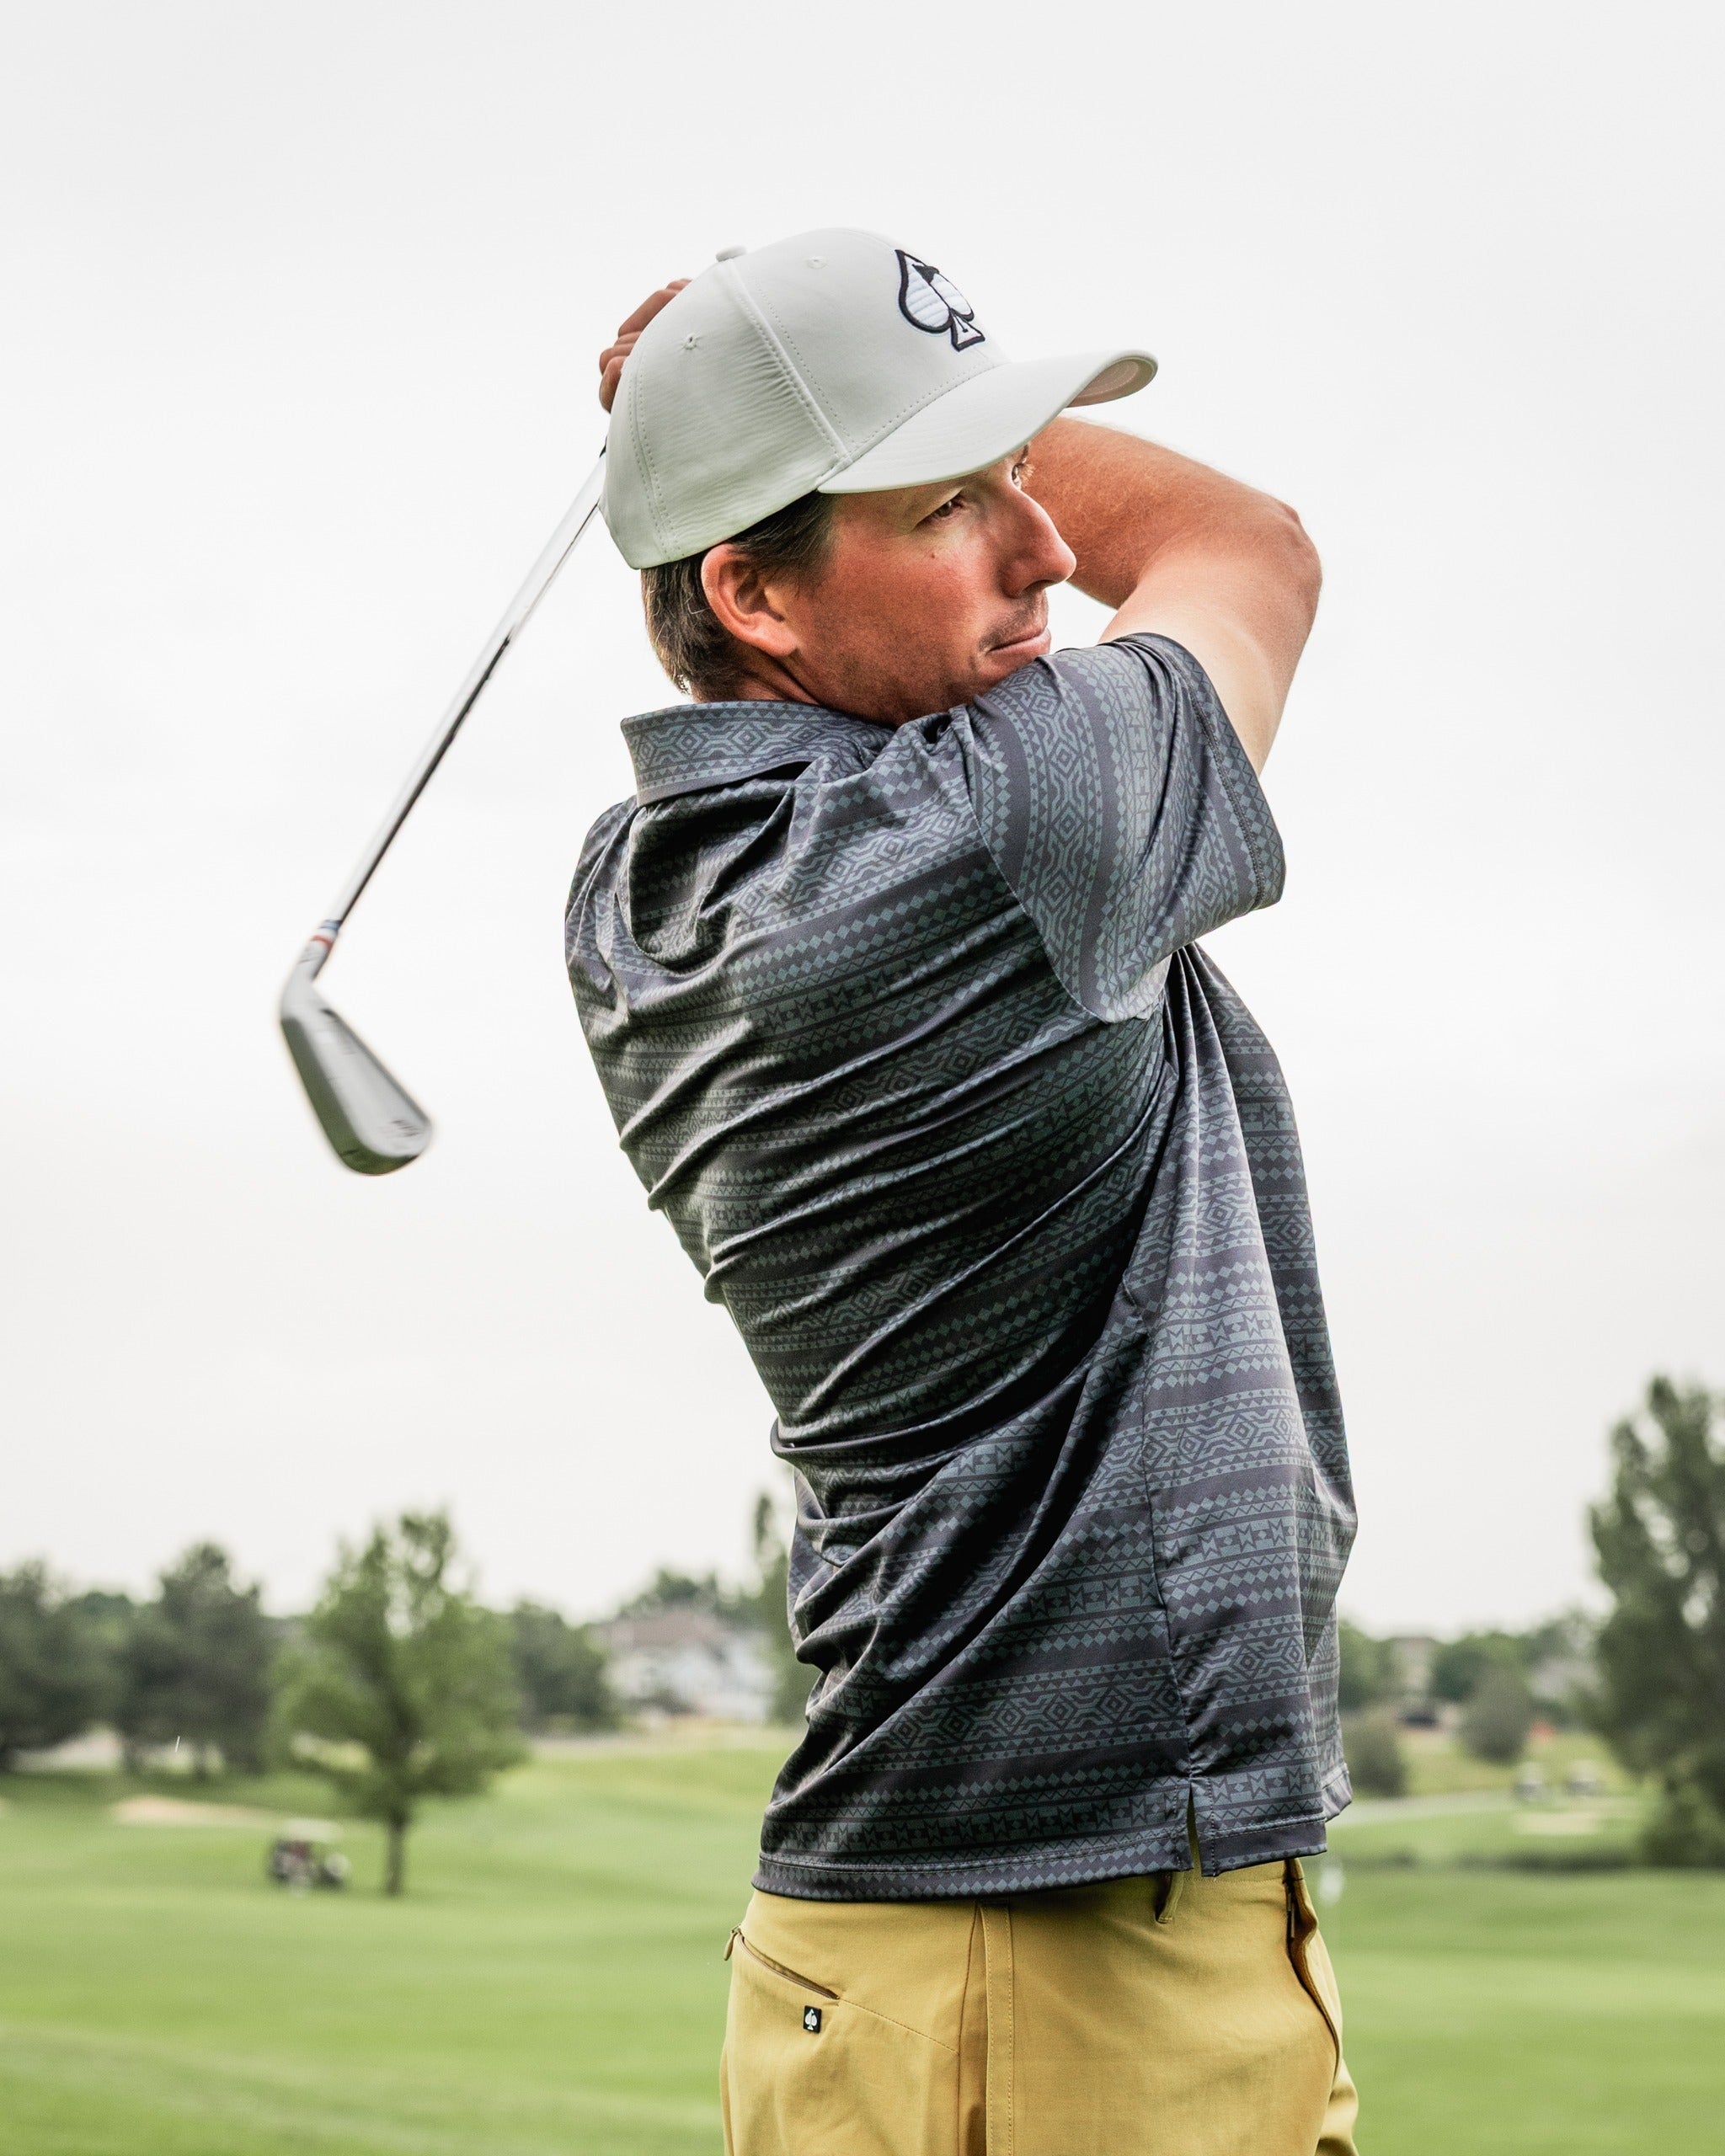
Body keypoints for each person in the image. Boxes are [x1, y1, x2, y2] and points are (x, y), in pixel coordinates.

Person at [568, 229, 1359, 2156]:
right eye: (946, 503)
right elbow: (1250, 546)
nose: (1033, 546)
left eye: (1023, 468)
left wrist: (761, 405)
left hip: (1013, 1933)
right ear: (749, 589)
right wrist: (715, 363)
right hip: (1039, 1966)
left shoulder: (642, 884)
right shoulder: (1000, 830)